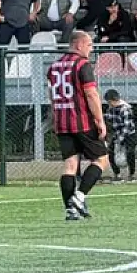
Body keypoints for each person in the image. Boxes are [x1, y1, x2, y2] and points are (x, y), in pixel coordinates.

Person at [48, 31, 107, 221]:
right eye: (89, 45)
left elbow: (51, 95)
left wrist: (56, 114)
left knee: (70, 165)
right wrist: (99, 120)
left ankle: (70, 210)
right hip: (81, 120)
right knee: (101, 159)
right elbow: (91, 94)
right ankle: (79, 197)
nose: (91, 49)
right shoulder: (82, 65)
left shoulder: (54, 66)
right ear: (79, 44)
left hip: (62, 120)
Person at [103, 89, 137, 182]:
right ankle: (117, 174)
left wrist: (120, 140)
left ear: (114, 100)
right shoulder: (111, 109)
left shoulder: (125, 109)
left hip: (129, 134)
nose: (109, 104)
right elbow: (108, 117)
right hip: (117, 134)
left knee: (130, 153)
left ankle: (131, 174)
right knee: (110, 153)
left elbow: (127, 127)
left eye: (109, 101)